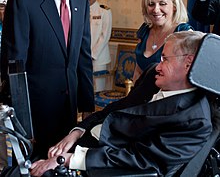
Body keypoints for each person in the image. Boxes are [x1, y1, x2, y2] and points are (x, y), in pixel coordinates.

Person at [30, 31, 212, 176]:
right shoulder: (152, 77)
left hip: (103, 164)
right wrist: (77, 131)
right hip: (85, 141)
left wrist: (69, 160)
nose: (158, 65)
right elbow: (115, 108)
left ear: (188, 63)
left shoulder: (195, 120)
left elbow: (140, 159)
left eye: (165, 59)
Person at [0, 0, 95, 157]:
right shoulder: (24, 0)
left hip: (69, 111)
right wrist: (24, 120)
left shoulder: (81, 2)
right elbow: (15, 65)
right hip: (35, 116)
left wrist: (87, 106)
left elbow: (83, 56)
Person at [133, 0, 193, 84]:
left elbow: (189, 77)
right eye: (151, 4)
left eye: (162, 3)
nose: (156, 10)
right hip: (142, 96)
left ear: (174, 6)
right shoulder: (144, 30)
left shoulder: (184, 33)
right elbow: (138, 71)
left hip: (167, 98)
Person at [83, 0, 112, 92]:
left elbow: (105, 35)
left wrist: (92, 54)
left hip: (98, 58)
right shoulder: (81, 10)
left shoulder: (104, 11)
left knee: (98, 90)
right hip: (83, 56)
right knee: (85, 89)